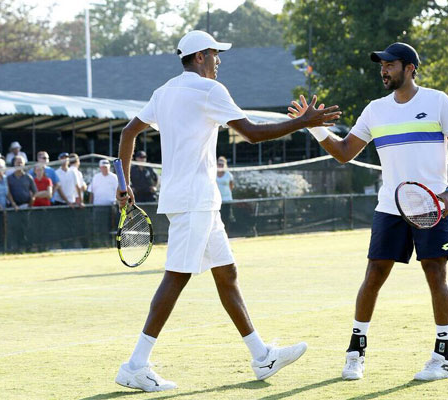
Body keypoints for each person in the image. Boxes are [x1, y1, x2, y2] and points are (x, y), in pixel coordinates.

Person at [113, 30, 339, 392]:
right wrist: (303, 122)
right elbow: (251, 133)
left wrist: (123, 183)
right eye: (216, 55)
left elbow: (128, 133)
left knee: (227, 273)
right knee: (177, 277)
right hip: (193, 201)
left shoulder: (164, 91)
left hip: (196, 200)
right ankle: (135, 365)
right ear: (200, 56)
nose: (219, 61)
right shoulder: (209, 90)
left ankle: (261, 354)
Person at [289, 42, 448, 382]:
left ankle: (444, 357)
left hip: (431, 204)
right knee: (373, 275)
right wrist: (312, 126)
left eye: (390, 65)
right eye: (381, 66)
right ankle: (355, 353)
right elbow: (344, 152)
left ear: (410, 68)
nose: (383, 70)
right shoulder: (375, 110)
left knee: (435, 275)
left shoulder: (438, 101)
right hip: (390, 207)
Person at [216, 156, 235, 228]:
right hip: (217, 201)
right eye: (219, 164)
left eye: (222, 164)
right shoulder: (213, 173)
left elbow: (231, 187)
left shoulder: (229, 175)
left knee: (226, 218)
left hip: (227, 200)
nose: (220, 165)